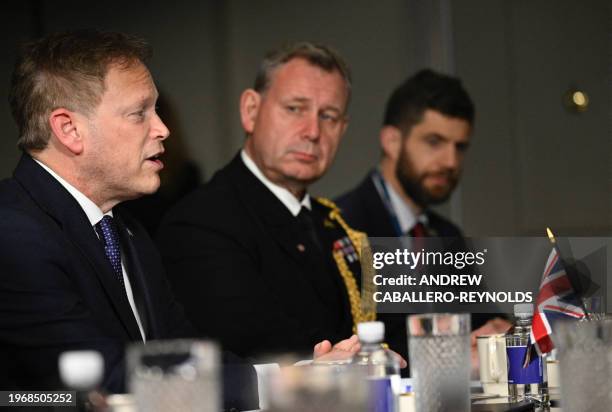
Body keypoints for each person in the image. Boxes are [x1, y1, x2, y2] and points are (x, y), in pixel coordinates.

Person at [0, 30, 358, 410]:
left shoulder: (127, 230)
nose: (163, 129)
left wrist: (301, 375)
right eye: (140, 113)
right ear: (69, 129)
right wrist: (289, 384)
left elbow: (185, 358)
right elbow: (107, 378)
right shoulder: (13, 233)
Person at [157, 42, 376, 360]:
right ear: (251, 111)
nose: (312, 131)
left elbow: (387, 326)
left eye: (328, 116)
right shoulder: (199, 224)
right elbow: (256, 347)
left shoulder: (341, 225)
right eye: (295, 109)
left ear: (342, 130)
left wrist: (458, 343)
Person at [336, 69, 510, 366]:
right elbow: (345, 345)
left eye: (460, 147)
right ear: (391, 141)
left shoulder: (448, 234)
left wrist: (501, 332)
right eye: (434, 142)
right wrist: (455, 356)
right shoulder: (340, 225)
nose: (450, 162)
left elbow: (483, 322)